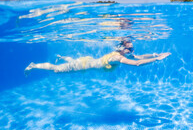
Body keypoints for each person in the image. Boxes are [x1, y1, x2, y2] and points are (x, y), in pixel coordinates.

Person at [25, 40, 171, 73]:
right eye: (130, 48)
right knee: (56, 70)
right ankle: (33, 65)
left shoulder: (121, 54)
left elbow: (138, 57)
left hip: (87, 62)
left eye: (133, 47)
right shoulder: (118, 58)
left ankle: (63, 56)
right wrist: (157, 60)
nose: (132, 50)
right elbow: (138, 63)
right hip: (84, 64)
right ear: (122, 48)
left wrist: (153, 54)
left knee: (72, 63)